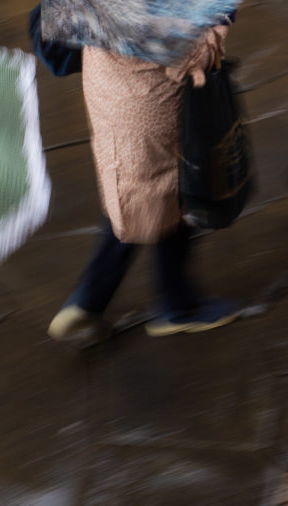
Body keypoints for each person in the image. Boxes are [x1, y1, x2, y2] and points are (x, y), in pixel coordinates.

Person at [48, 20, 241, 347]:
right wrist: (219, 25)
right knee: (171, 196)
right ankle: (176, 305)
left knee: (136, 196)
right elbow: (193, 58)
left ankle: (93, 300)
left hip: (110, 94)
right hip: (152, 107)